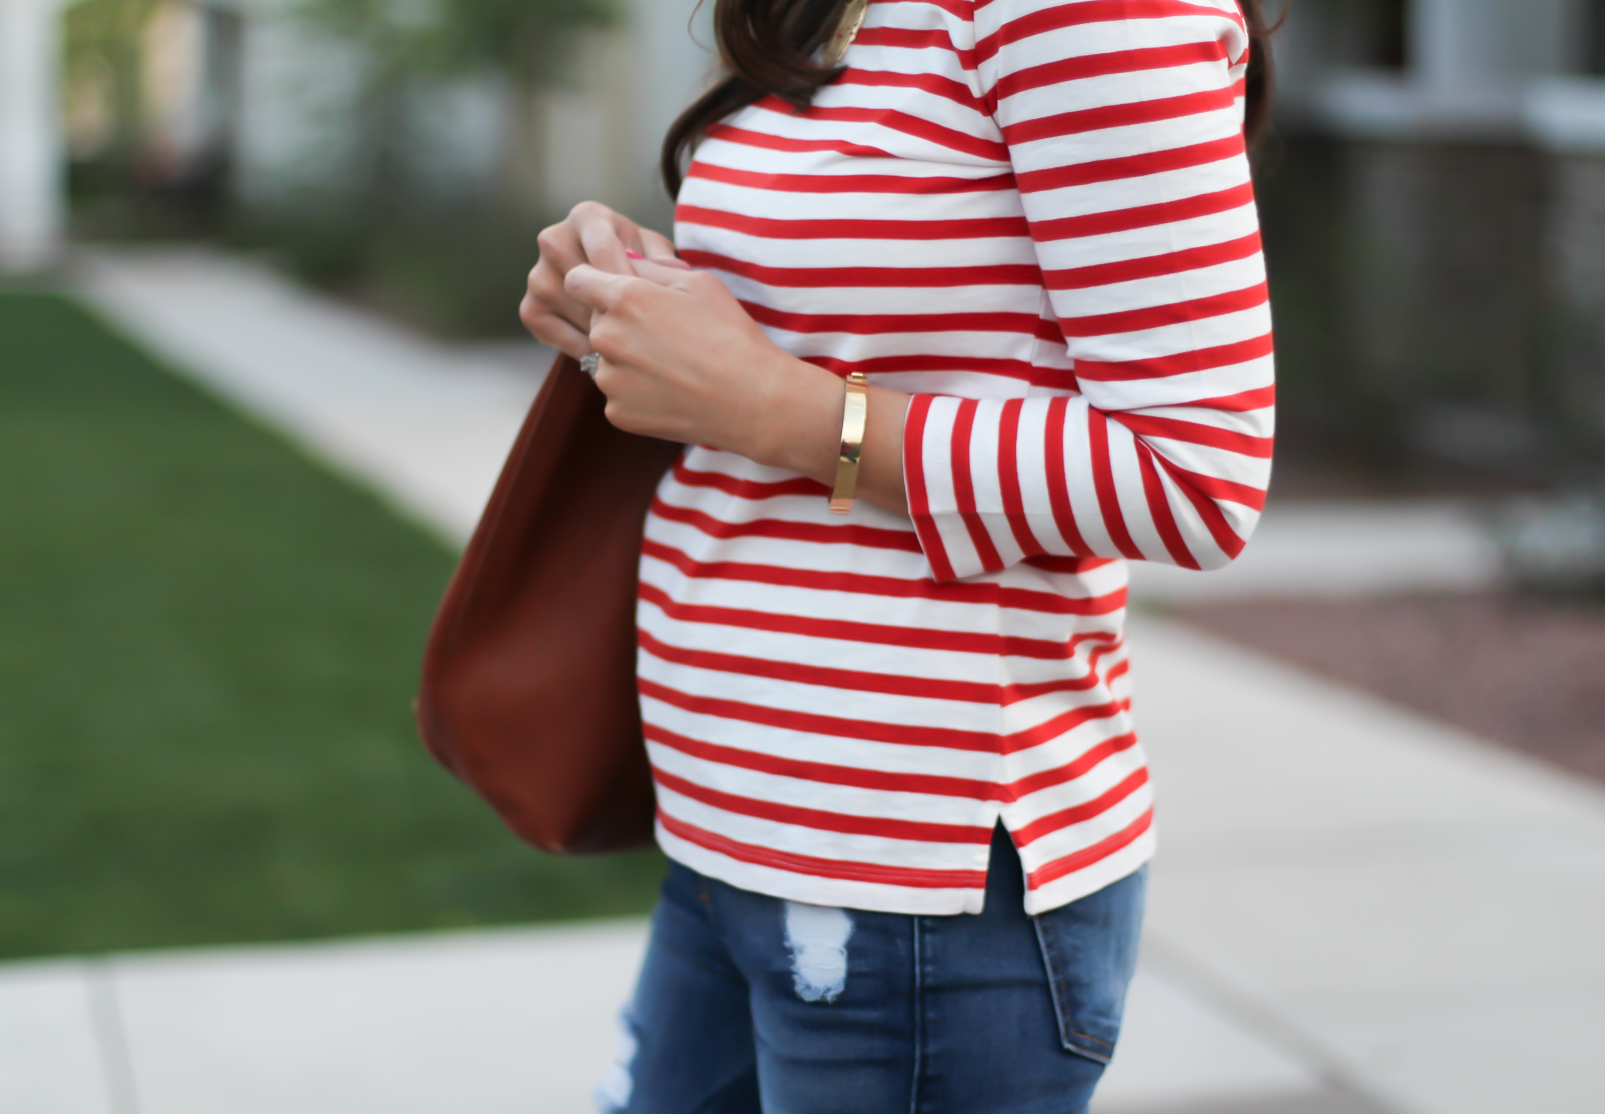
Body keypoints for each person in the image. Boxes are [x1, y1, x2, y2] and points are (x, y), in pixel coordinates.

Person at [519, 0, 1275, 1107]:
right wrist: (628, 301)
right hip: (733, 833)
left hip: (911, 891)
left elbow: (1195, 476)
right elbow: (868, 323)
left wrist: (787, 409)